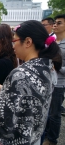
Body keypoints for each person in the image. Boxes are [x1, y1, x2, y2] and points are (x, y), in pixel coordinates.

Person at [0, 20, 62, 145]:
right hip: (33, 135)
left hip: (15, 138)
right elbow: (23, 98)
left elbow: (3, 114)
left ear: (28, 42)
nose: (13, 46)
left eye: (15, 41)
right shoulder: (48, 67)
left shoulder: (21, 74)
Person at [43, 14, 65, 145]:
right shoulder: (51, 41)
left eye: (59, 23)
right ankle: (45, 134)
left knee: (54, 113)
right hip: (47, 81)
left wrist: (56, 67)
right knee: (46, 111)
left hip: (59, 83)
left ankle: (52, 139)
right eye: (55, 23)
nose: (55, 25)